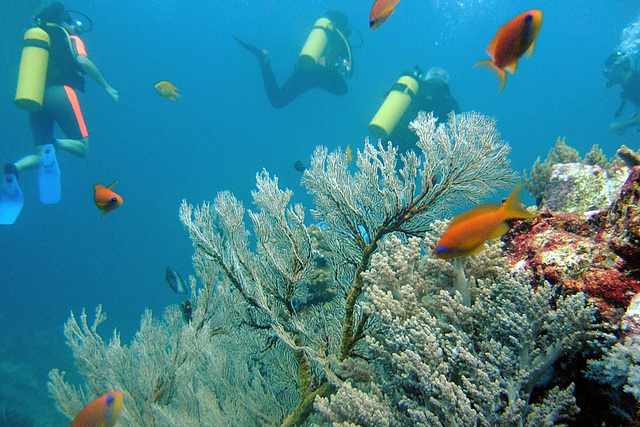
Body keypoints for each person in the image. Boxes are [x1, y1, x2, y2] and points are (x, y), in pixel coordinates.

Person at [0, 1, 119, 224]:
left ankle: (14, 169)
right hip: (62, 92)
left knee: (40, 153)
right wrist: (107, 86)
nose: (76, 28)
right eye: (73, 23)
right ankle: (54, 144)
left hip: (35, 94)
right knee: (82, 147)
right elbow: (82, 61)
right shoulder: (70, 37)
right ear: (64, 21)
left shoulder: (39, 38)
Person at [235, 10, 353, 109]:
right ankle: (264, 60)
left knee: (278, 101)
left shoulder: (323, 31)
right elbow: (349, 68)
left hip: (304, 70)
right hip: (320, 74)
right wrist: (336, 67)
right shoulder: (342, 42)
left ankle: (264, 60)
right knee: (343, 90)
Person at [369, 66, 460, 153]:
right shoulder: (448, 98)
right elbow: (460, 125)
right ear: (445, 81)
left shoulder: (415, 85)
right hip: (415, 142)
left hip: (395, 131)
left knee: (379, 161)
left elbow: (388, 96)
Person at [604, 51, 640, 134]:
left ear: (618, 69)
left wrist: (621, 125)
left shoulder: (636, 84)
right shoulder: (630, 83)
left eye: (610, 70)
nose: (608, 75)